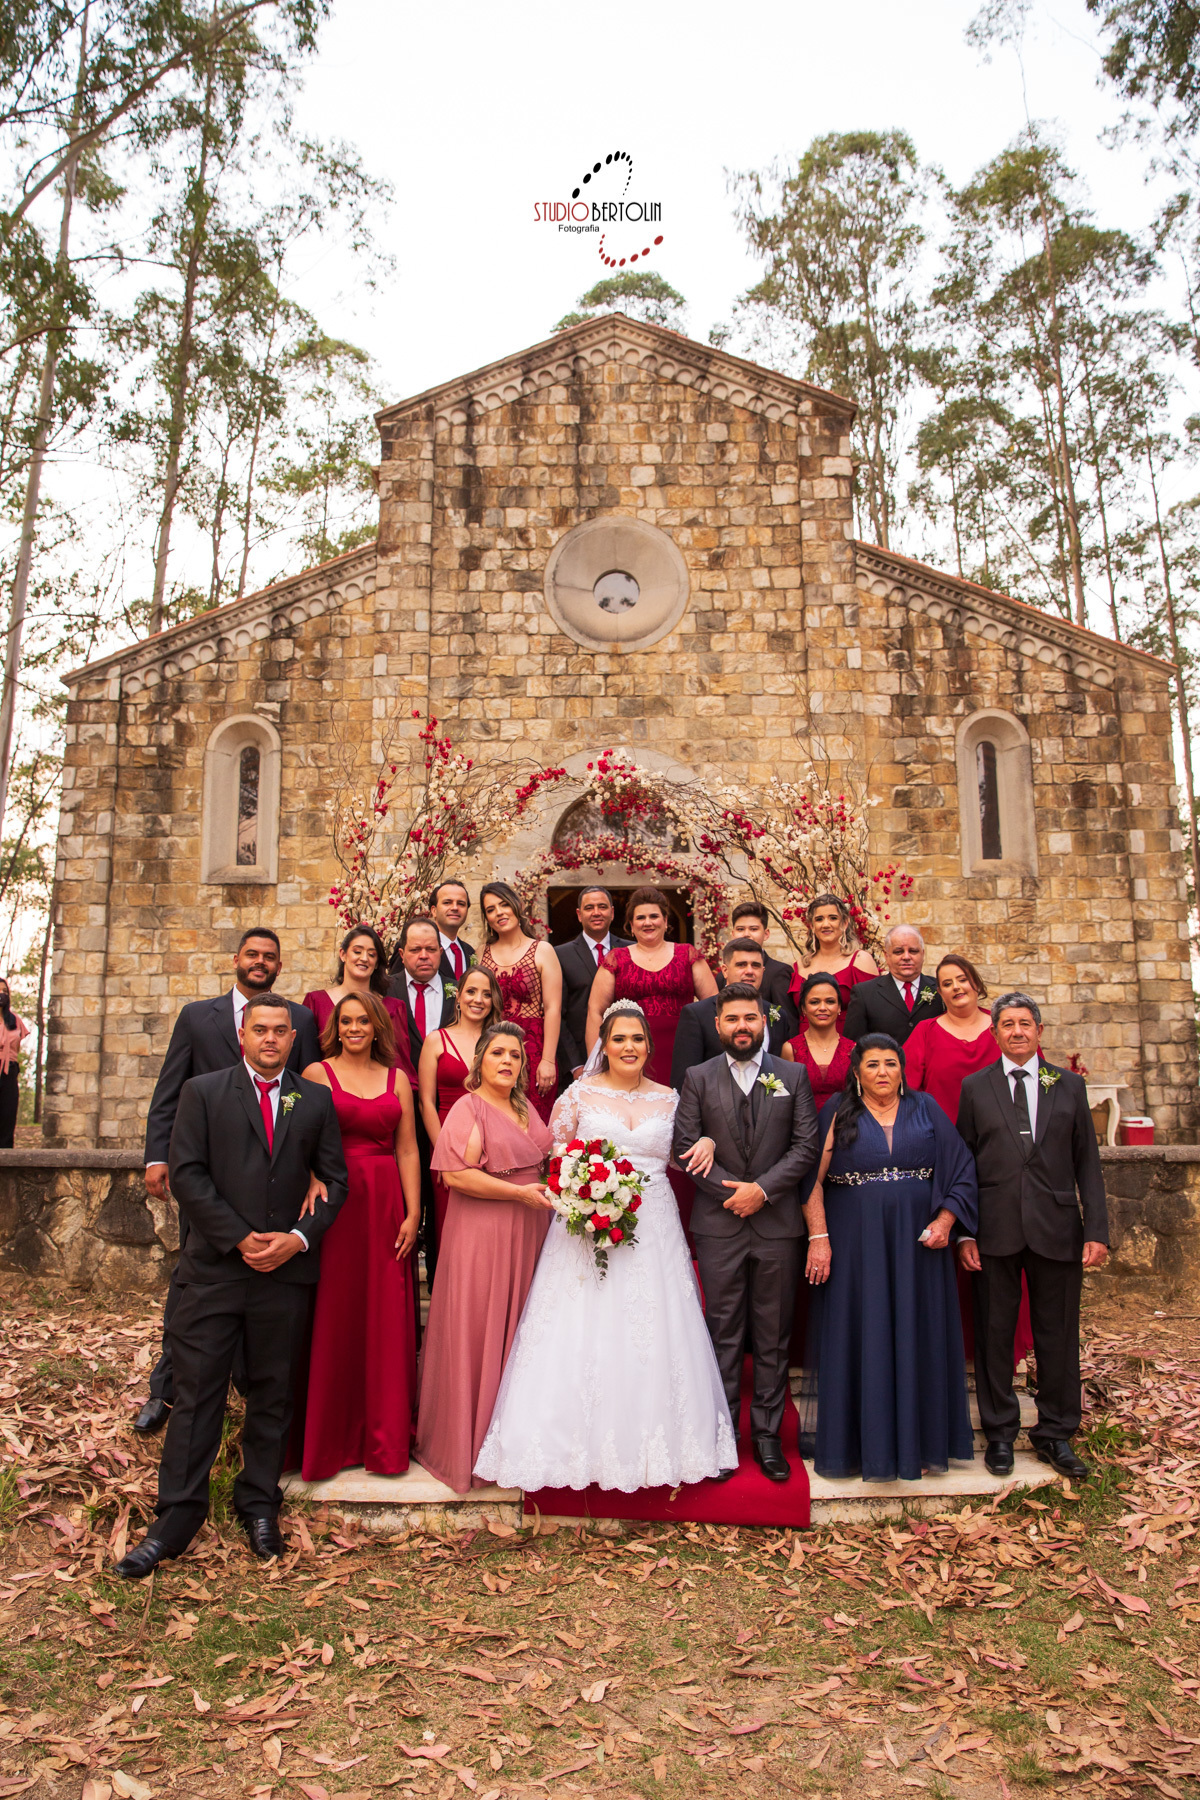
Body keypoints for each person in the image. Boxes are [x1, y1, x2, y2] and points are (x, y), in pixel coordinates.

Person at [115, 993, 349, 1578]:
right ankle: (175, 1520)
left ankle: (259, 1504)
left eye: (281, 1032)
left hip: (285, 1274)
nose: (270, 1039)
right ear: (243, 1035)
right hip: (216, 1271)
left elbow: (335, 1183)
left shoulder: (314, 1099)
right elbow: (188, 1175)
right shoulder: (204, 1093)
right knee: (198, 1396)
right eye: (260, 1030)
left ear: (294, 1039)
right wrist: (241, 1239)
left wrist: (297, 1238)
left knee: (272, 1394)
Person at [475, 1004, 737, 1491]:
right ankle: (566, 1445)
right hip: (585, 1229)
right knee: (582, 1325)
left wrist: (710, 1145)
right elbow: (555, 1157)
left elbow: (682, 1156)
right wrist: (580, 1195)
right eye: (619, 1039)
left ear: (649, 1046)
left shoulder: (671, 1098)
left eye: (638, 1039)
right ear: (604, 1044)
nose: (629, 1047)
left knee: (655, 1326)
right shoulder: (579, 1095)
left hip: (654, 1224)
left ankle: (657, 1445)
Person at [137, 928, 322, 1436]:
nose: (260, 962)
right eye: (253, 954)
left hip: (269, 1179)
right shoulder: (199, 1017)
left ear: (279, 967)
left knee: (262, 1285)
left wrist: (310, 1169)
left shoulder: (298, 1020)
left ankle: (247, 1380)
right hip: (207, 1179)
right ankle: (166, 1387)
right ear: (236, 960)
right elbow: (169, 1088)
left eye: (270, 957)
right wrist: (159, 1156)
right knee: (191, 1284)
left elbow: (305, 1098)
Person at [801, 1033, 978, 1483]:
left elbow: (961, 1170)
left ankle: (919, 1444)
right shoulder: (836, 1113)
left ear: (903, 1070)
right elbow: (811, 1181)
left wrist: (945, 1221)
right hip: (856, 1243)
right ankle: (863, 1448)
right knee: (863, 1333)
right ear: (857, 1073)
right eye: (873, 1064)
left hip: (918, 1246)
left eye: (891, 1064)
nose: (883, 1071)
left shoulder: (928, 1109)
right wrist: (819, 1237)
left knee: (917, 1334)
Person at [956, 992, 1109, 1482]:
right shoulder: (975, 1088)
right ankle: (999, 1434)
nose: (1017, 1031)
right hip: (994, 1231)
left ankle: (1056, 1433)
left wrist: (1097, 1230)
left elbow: (1088, 1164)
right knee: (994, 1334)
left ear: (1039, 1031)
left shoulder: (1068, 1086)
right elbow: (963, 1165)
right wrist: (964, 1232)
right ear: (994, 1033)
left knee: (1057, 1335)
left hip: (1058, 1229)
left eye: (1025, 1023)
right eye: (1007, 1024)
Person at [672, 984, 819, 1483]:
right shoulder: (697, 1078)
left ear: (764, 1022)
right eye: (732, 1019)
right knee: (723, 1334)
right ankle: (722, 1439)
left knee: (774, 1337)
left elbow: (806, 1148)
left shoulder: (792, 1075)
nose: (742, 1027)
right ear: (718, 1025)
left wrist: (763, 1191)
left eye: (750, 1018)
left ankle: (768, 1439)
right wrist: (731, 1194)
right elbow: (685, 1147)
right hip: (719, 1225)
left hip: (777, 1225)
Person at [413, 1023, 555, 1493]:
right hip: (484, 1231)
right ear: (480, 1060)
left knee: (518, 1331)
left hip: (530, 1230)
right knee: (480, 1325)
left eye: (515, 1055)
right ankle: (468, 1445)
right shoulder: (467, 1108)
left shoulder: (524, 1107)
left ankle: (512, 1445)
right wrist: (519, 1197)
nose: (507, 1062)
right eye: (497, 1053)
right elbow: (454, 1176)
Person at [296, 993, 422, 1481]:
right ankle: (331, 1440)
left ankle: (384, 1442)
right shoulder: (315, 1075)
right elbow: (299, 1144)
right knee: (337, 1313)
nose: (353, 1028)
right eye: (345, 1021)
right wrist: (310, 1176)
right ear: (335, 1027)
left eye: (362, 1021)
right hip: (336, 1206)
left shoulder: (398, 1081)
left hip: (388, 1203)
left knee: (386, 1316)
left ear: (377, 1028)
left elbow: (408, 1149)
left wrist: (413, 1213)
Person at [905, 954, 1032, 1372]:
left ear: (976, 983)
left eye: (962, 979)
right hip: (942, 1156)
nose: (956, 987)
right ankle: (948, 1348)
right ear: (937, 992)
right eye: (946, 983)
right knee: (950, 1246)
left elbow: (1031, 1083)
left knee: (999, 1248)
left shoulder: (1004, 1031)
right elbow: (907, 1093)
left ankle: (998, 1351)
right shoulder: (925, 1032)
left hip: (1001, 1157)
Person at [586, 886, 718, 1088]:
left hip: (685, 1048)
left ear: (665, 921)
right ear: (631, 924)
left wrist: (713, 1056)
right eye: (640, 918)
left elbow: (713, 1006)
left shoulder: (688, 955)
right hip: (632, 1051)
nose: (647, 922)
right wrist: (597, 1062)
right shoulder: (616, 959)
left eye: (654, 916)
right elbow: (596, 1011)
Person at [418, 964, 505, 1254]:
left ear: (494, 1000)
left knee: (488, 1224)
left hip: (492, 1141)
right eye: (471, 991)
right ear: (457, 996)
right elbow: (426, 1102)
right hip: (447, 1141)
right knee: (450, 1224)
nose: (477, 999)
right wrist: (444, 1152)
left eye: (486, 993)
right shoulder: (436, 1040)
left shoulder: (500, 1044)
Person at [477, 882, 563, 1124]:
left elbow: (553, 1008)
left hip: (534, 1049)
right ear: (487, 918)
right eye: (491, 909)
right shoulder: (481, 952)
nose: (499, 913)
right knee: (496, 1122)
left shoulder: (542, 950)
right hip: (493, 1049)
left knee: (533, 1122)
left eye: (504, 904)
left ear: (517, 905)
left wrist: (547, 1060)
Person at [670, 936, 796, 1090]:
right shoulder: (697, 1015)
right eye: (741, 965)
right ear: (725, 970)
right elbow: (684, 1080)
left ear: (763, 971)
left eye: (755, 965)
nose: (749, 971)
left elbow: (781, 1071)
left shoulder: (778, 1016)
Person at [303, 925, 413, 1082]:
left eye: (372, 954)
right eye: (357, 951)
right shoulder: (316, 1002)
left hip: (377, 1093)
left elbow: (400, 1064)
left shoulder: (393, 1008)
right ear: (343, 954)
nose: (364, 958)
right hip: (326, 1093)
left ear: (376, 963)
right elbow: (306, 1057)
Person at [554, 886, 632, 1084]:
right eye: (589, 908)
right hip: (581, 1060)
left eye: (602, 907)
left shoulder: (630, 950)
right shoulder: (560, 955)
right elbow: (557, 1014)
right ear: (580, 915)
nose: (596, 912)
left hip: (628, 1052)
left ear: (612, 913)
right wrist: (575, 1065)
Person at [843, 924, 945, 1045]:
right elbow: (853, 1045)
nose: (906, 957)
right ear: (887, 956)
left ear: (923, 954)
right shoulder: (864, 993)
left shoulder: (941, 989)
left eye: (913, 951)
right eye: (898, 951)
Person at [786, 894, 879, 1021]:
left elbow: (875, 1013)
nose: (825, 924)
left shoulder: (860, 960)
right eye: (819, 919)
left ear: (845, 923)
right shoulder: (801, 965)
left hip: (848, 1038)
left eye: (833, 918)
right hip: (804, 1039)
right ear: (812, 926)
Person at [781, 972, 855, 1111]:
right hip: (803, 1129)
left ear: (839, 1007)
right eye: (814, 1002)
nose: (822, 1008)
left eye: (830, 1001)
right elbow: (786, 1101)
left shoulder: (853, 1049)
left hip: (845, 1127)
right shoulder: (790, 1049)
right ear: (803, 1008)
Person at [719, 901, 797, 1014]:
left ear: (766, 934)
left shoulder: (779, 972)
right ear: (733, 934)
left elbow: (787, 1021)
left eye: (753, 929)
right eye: (740, 929)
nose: (746, 934)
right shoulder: (722, 976)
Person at [429, 878, 476, 985]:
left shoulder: (470, 952)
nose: (455, 908)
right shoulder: (414, 949)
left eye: (461, 904)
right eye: (447, 902)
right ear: (434, 910)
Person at [0, 980, 30, 1148]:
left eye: (5, 991)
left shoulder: (14, 1020)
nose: (2, 994)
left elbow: (16, 1047)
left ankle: (5, 1160)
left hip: (9, 1070)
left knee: (8, 1113)